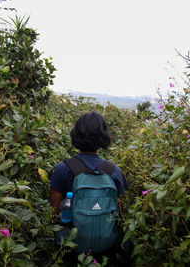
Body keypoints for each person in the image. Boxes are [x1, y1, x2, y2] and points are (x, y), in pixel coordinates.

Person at [50, 111, 131, 264]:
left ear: (75, 134)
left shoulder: (63, 169)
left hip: (71, 248)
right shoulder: (114, 171)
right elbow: (117, 212)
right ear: (103, 136)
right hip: (107, 247)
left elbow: (54, 212)